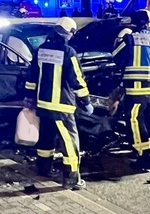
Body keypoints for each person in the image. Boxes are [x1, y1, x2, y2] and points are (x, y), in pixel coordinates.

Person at [24, 17, 92, 190]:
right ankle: (72, 179)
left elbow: (32, 77)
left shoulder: (41, 50)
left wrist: (29, 97)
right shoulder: (69, 52)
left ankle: (43, 169)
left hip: (43, 104)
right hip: (62, 107)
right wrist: (86, 101)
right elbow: (77, 80)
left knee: (46, 139)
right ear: (68, 33)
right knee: (69, 141)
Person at [112, 9, 150, 171]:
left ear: (134, 23)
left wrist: (119, 38)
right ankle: (145, 150)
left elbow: (116, 57)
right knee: (147, 121)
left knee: (135, 121)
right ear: (149, 23)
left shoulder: (130, 39)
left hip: (135, 90)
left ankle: (144, 157)